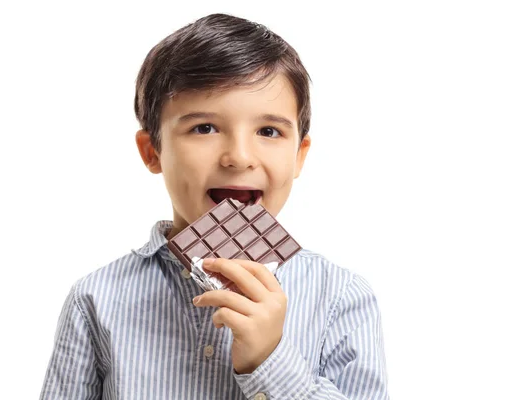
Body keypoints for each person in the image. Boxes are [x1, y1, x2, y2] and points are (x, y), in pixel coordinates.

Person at [39, 12, 389, 400]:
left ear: (299, 156)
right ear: (152, 151)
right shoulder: (96, 298)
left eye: (268, 131)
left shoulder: (342, 297)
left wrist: (269, 361)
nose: (239, 157)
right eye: (204, 128)